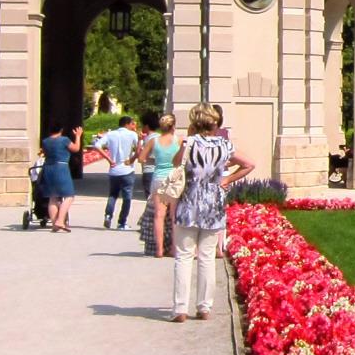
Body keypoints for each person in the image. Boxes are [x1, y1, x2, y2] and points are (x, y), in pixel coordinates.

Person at [170, 102, 253, 323]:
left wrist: (185, 142)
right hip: (213, 204)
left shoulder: (189, 143)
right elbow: (249, 164)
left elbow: (175, 164)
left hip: (189, 202)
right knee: (207, 257)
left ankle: (180, 308)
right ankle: (204, 307)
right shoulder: (225, 146)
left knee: (184, 256)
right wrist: (226, 179)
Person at [139, 113, 182, 257]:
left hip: (158, 178)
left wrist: (156, 160)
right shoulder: (178, 140)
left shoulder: (154, 141)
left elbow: (141, 158)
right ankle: (174, 249)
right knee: (174, 216)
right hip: (174, 178)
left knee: (159, 216)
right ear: (173, 126)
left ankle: (159, 250)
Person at [93, 115, 140, 229]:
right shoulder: (132, 134)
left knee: (113, 195)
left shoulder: (110, 134)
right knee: (127, 197)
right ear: (127, 124)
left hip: (114, 169)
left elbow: (97, 145)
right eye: (132, 124)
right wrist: (133, 158)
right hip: (127, 168)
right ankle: (122, 222)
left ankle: (108, 216)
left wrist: (108, 159)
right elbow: (139, 149)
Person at [40, 121, 82, 232]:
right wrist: (78, 136)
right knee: (69, 196)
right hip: (61, 167)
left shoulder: (45, 141)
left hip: (48, 168)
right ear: (61, 130)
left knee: (53, 197)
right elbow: (76, 148)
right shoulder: (64, 140)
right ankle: (60, 220)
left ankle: (55, 224)